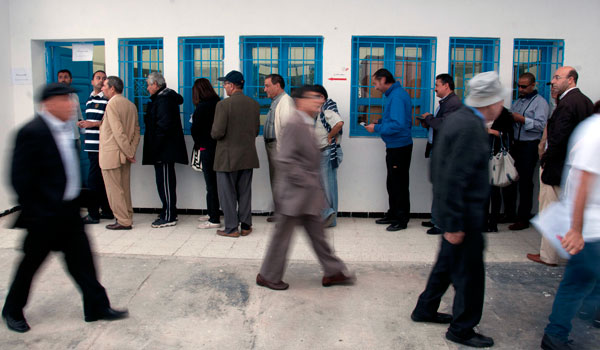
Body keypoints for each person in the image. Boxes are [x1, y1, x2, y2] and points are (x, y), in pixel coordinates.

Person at [1, 83, 128, 333]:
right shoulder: (32, 132)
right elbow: (20, 178)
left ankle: (96, 307)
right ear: (48, 104)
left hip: (68, 213)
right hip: (43, 217)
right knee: (30, 267)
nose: (71, 105)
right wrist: (39, 210)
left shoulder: (65, 130)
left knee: (84, 264)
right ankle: (12, 310)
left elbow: (65, 172)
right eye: (65, 100)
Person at [411, 72, 505, 348]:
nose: (501, 106)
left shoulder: (457, 120)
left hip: (453, 213)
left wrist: (446, 216)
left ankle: (425, 308)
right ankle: (462, 329)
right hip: (464, 216)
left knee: (447, 264)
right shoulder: (471, 127)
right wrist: (454, 223)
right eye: (499, 100)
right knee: (470, 276)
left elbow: (437, 169)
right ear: (491, 102)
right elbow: (455, 175)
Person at [256, 85, 355, 290]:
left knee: (318, 235)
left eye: (319, 97)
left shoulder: (306, 122)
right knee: (281, 239)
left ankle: (333, 272)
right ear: (300, 101)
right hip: (293, 194)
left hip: (305, 194)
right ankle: (268, 276)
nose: (319, 101)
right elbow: (285, 160)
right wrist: (307, 181)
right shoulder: (295, 124)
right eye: (314, 97)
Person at [540, 101, 600, 350]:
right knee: (577, 281)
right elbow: (583, 182)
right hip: (589, 227)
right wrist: (576, 230)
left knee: (585, 279)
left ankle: (588, 313)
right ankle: (555, 334)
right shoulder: (595, 132)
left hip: (590, 226)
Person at [527, 66, 594, 267]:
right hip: (572, 167)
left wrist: (546, 159)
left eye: (557, 77)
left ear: (571, 80)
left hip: (558, 166)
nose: (553, 82)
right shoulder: (585, 102)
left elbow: (558, 138)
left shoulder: (567, 104)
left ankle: (548, 255)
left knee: (550, 207)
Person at [211, 71, 260, 237]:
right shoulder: (254, 104)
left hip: (227, 157)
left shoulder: (224, 105)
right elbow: (255, 130)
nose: (224, 87)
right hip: (247, 155)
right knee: (245, 192)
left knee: (227, 194)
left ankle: (231, 228)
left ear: (232, 85)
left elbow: (217, 132)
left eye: (225, 84)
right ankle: (246, 226)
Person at [364, 68, 413, 231]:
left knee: (399, 184)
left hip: (399, 147)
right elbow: (394, 119)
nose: (375, 87)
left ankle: (401, 219)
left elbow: (398, 125)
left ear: (384, 80)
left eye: (376, 83)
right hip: (394, 146)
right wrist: (380, 121)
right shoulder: (393, 95)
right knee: (392, 183)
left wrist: (377, 127)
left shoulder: (397, 96)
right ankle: (393, 213)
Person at [502, 72, 549, 230]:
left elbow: (541, 125)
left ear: (533, 85)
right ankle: (509, 213)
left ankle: (523, 218)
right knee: (509, 178)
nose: (520, 89)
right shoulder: (518, 102)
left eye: (524, 86)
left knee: (525, 182)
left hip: (529, 145)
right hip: (515, 144)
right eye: (518, 86)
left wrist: (522, 120)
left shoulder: (540, 103)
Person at [143, 72, 188, 228]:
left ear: (156, 84)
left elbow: (163, 125)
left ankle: (169, 215)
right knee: (163, 182)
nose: (148, 88)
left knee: (166, 183)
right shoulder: (164, 98)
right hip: (162, 149)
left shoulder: (164, 100)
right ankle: (167, 211)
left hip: (164, 150)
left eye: (149, 85)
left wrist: (155, 146)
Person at [418, 73, 462, 235]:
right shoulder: (445, 103)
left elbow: (445, 125)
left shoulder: (453, 103)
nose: (435, 88)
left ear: (446, 86)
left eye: (437, 85)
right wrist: (427, 122)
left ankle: (442, 224)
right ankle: (436, 219)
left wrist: (429, 118)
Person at [99, 76, 141, 230]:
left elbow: (118, 132)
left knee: (114, 190)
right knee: (124, 188)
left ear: (112, 88)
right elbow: (137, 131)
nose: (102, 88)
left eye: (104, 86)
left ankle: (123, 221)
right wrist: (130, 151)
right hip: (125, 155)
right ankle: (127, 216)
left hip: (112, 155)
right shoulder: (131, 105)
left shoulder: (112, 104)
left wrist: (128, 151)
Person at [77, 70, 114, 224]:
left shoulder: (107, 100)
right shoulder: (89, 99)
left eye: (104, 79)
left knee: (94, 181)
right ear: (92, 81)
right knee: (99, 180)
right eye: (98, 78)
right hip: (90, 145)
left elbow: (109, 122)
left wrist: (92, 124)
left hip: (101, 146)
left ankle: (93, 214)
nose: (101, 81)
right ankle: (106, 211)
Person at [190, 78, 222, 229]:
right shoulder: (218, 103)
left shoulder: (202, 107)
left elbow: (195, 130)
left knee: (210, 184)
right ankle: (212, 212)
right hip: (219, 147)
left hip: (206, 148)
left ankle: (214, 218)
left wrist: (200, 143)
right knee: (217, 183)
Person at [263, 74, 295, 222]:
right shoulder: (276, 101)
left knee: (281, 181)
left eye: (267, 86)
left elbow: (289, 130)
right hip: (272, 145)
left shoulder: (286, 102)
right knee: (276, 180)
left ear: (277, 85)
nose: (265, 89)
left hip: (279, 147)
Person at [313, 84, 344, 227]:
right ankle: (327, 215)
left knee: (328, 187)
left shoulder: (327, 109)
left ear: (321, 97)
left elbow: (339, 123)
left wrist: (330, 136)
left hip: (327, 152)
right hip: (320, 153)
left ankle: (331, 219)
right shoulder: (319, 111)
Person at [485, 107, 515, 232]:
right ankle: (482, 221)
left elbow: (508, 135)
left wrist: (491, 131)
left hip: (496, 157)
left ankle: (493, 223)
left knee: (494, 191)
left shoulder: (503, 114)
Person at [57, 69, 83, 147]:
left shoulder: (75, 96)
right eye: (60, 77)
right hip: (61, 139)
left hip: (75, 137)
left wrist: (83, 129)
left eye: (66, 77)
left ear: (71, 80)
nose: (63, 80)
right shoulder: (54, 98)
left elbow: (79, 115)